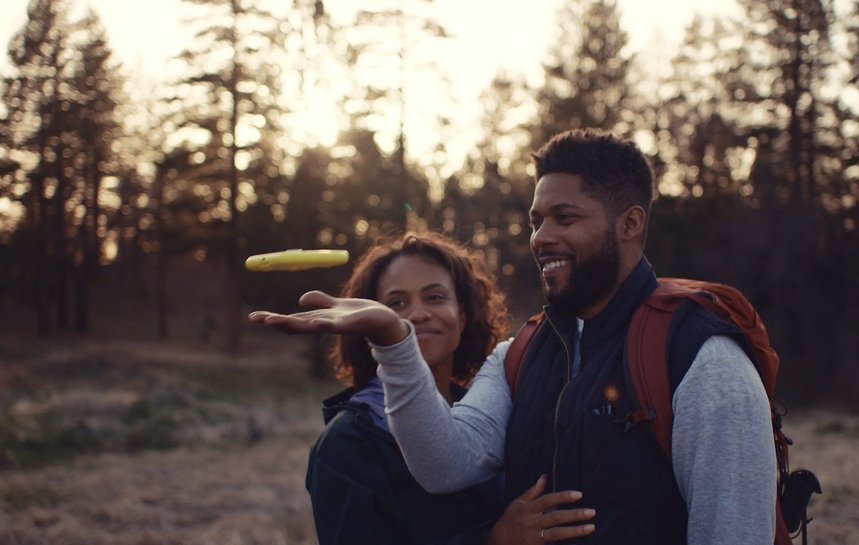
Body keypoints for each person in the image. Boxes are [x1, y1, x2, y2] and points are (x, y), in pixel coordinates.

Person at [254, 129, 776, 545]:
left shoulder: (701, 359)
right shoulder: (521, 355)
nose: (542, 237)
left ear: (630, 224)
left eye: (565, 218)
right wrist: (395, 341)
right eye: (536, 221)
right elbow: (445, 464)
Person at [250, 231, 595, 545]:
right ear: (363, 320)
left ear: (463, 314)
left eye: (435, 297)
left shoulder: (487, 411)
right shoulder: (348, 443)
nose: (417, 314)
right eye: (396, 303)